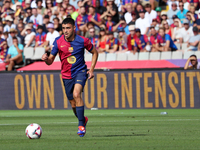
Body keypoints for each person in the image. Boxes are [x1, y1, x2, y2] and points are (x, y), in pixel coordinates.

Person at [41, 18, 98, 137]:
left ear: (74, 28)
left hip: (80, 71)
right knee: (73, 104)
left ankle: (81, 125)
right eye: (63, 28)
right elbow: (51, 60)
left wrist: (91, 70)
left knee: (77, 94)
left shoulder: (83, 41)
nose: (65, 31)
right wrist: (46, 59)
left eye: (68, 28)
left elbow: (95, 52)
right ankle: (83, 119)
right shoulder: (58, 41)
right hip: (66, 75)